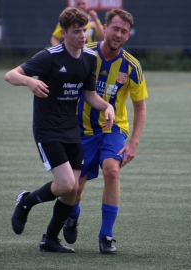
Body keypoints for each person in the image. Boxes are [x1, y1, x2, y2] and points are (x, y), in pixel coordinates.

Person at [4, 7, 115, 253]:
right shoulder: (49, 57)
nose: (82, 36)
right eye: (76, 32)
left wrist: (107, 106)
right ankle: (26, 201)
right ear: (63, 33)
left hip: (70, 130)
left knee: (73, 192)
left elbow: (90, 96)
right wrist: (29, 80)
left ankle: (50, 240)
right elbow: (10, 75)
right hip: (47, 130)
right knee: (65, 185)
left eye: (84, 30)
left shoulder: (89, 58)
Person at [63, 8, 148, 254]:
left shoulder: (132, 66)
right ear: (105, 27)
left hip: (114, 130)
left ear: (128, 36)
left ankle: (106, 236)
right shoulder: (83, 53)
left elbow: (140, 108)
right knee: (74, 192)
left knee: (112, 172)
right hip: (81, 130)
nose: (119, 34)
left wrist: (133, 143)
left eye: (124, 31)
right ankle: (71, 216)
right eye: (116, 28)